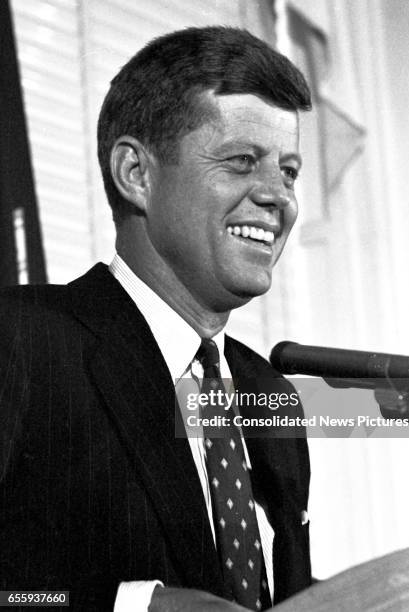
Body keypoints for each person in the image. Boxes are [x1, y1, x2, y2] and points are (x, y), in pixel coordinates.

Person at [0, 26, 312, 611]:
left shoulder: (271, 394)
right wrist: (132, 607)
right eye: (243, 161)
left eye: (289, 171)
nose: (278, 197)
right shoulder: (22, 343)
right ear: (137, 175)